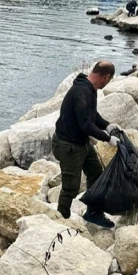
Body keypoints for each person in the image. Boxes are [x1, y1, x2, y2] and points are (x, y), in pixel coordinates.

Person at [52, 61, 121, 229]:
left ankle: (93, 212)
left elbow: (92, 114)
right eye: (109, 80)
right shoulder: (82, 91)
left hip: (81, 142)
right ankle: (61, 223)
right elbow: (86, 125)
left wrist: (107, 125)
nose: (107, 83)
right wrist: (107, 138)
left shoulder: (89, 89)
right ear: (106, 77)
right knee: (71, 187)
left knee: (96, 173)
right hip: (68, 146)